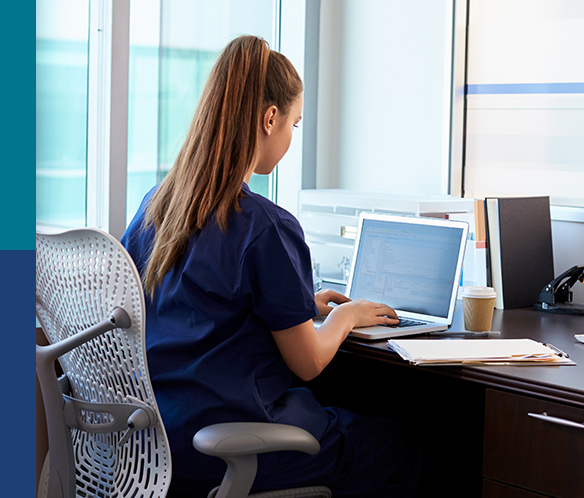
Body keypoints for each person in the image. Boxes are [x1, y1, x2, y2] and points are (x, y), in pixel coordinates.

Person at [121, 35, 422, 497]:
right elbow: (308, 362)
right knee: (404, 447)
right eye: (294, 124)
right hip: (227, 448)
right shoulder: (265, 226)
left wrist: (302, 307)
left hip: (153, 445)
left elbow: (196, 307)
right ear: (269, 119)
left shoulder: (156, 207)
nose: (290, 137)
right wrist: (344, 316)